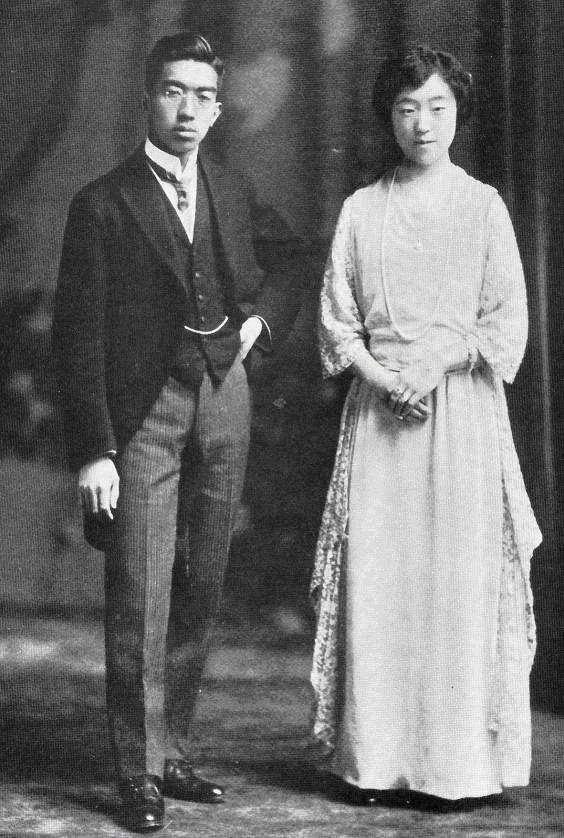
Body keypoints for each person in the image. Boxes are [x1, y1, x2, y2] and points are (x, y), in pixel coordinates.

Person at [52, 32, 303, 833]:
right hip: (143, 414)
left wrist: (258, 327)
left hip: (227, 398)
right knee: (140, 591)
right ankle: (137, 774)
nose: (187, 109)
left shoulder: (230, 185)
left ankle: (172, 752)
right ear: (147, 98)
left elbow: (292, 260)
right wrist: (95, 448)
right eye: (172, 91)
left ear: (220, 108)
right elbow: (77, 335)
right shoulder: (101, 202)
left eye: (202, 95)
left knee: (203, 582)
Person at [310, 45, 542, 805]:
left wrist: (437, 365)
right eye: (408, 108)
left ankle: (454, 771)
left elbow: (505, 320)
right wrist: (386, 379)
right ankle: (374, 765)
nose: (423, 122)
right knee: (381, 586)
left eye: (437, 106)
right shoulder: (360, 210)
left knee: (454, 588)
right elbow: (338, 326)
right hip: (382, 421)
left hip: (461, 418)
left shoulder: (483, 207)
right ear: (389, 116)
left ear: (457, 114)